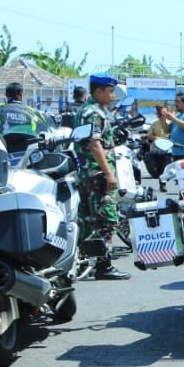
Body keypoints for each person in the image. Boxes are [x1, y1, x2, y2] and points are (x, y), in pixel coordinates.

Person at [72, 74, 130, 280]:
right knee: (106, 218)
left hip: (88, 174)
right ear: (98, 92)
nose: (113, 96)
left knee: (88, 221)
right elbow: (95, 145)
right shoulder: (93, 112)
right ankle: (103, 266)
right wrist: (108, 173)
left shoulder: (85, 110)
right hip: (97, 174)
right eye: (110, 91)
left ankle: (83, 264)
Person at [155, 91, 184, 157]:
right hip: (176, 153)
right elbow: (167, 130)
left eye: (178, 101)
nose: (175, 104)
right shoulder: (178, 115)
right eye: (175, 101)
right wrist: (162, 119)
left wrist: (173, 118)